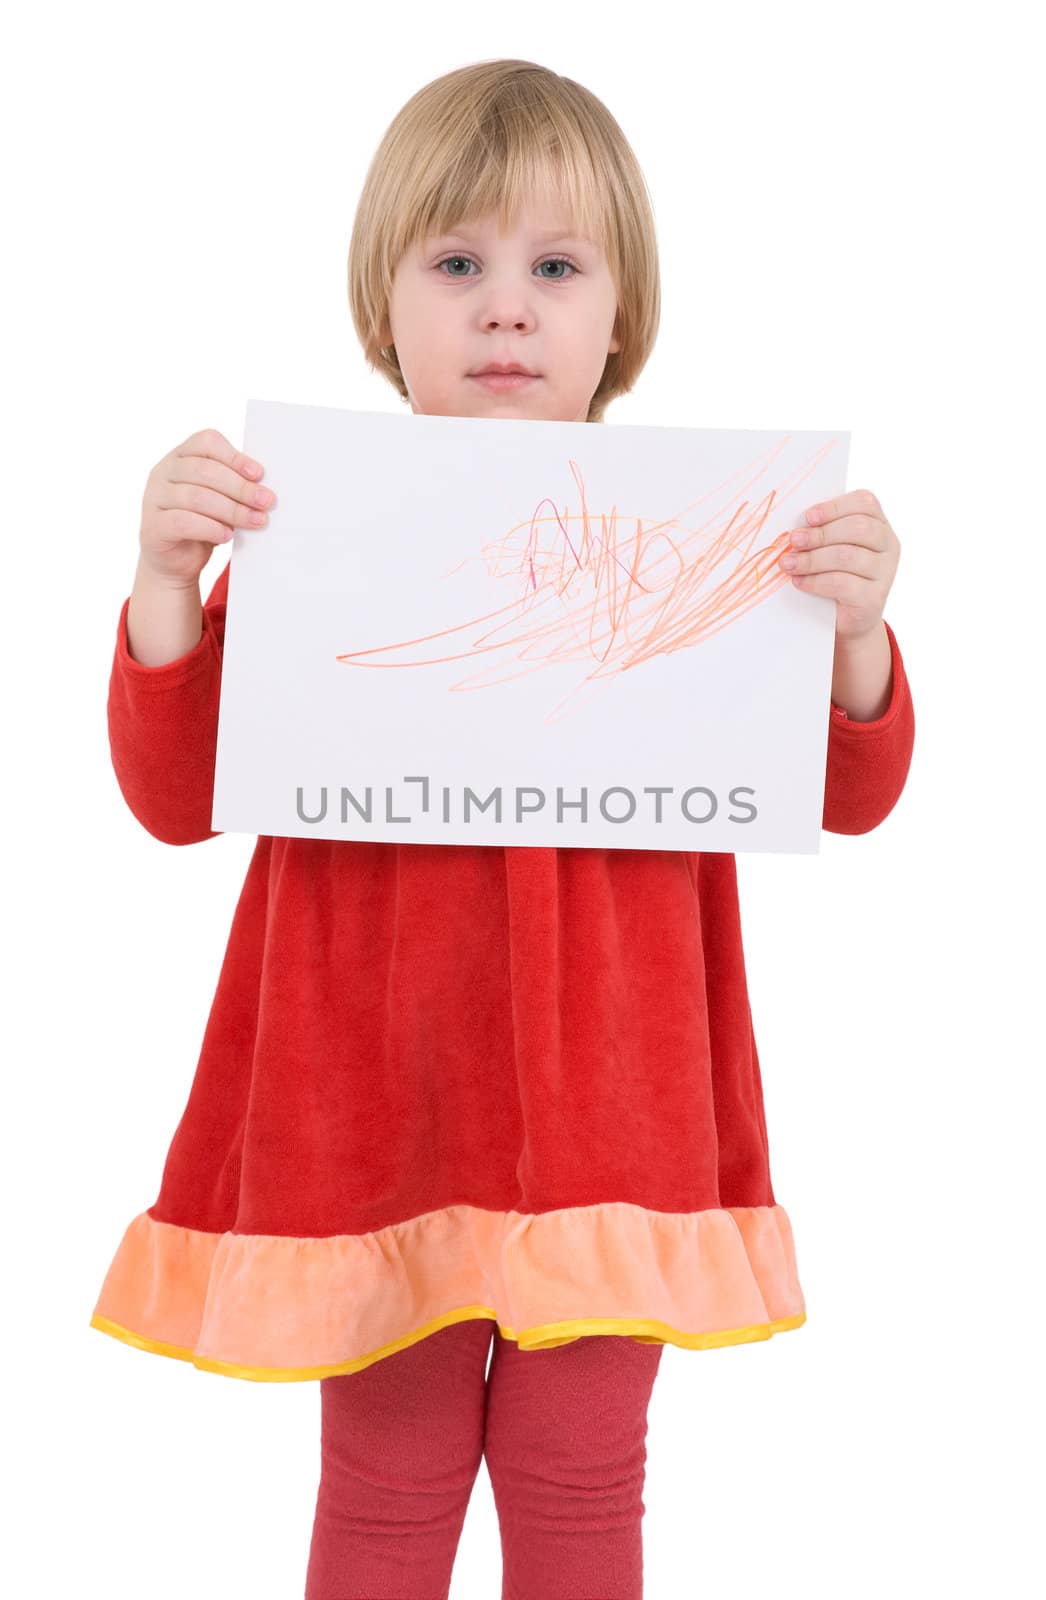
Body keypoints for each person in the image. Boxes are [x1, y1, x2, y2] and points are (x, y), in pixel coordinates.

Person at [90, 58, 916, 1600]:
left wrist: (855, 635)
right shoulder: (310, 540)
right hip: (377, 1105)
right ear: (382, 307)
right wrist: (160, 587)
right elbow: (168, 793)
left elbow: (850, 794)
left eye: (553, 268)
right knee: (387, 1480)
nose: (505, 309)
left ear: (621, 318)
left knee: (581, 1475)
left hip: (616, 1112)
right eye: (456, 265)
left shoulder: (715, 549)